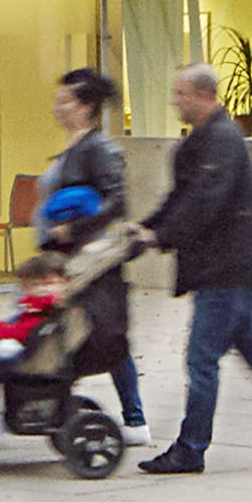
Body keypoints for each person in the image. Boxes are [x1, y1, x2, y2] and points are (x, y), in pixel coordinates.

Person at [133, 64, 252, 475]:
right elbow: (181, 198)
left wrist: (158, 236)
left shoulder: (221, 140)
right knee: (251, 348)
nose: (175, 101)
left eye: (181, 94)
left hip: (226, 270)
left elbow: (203, 202)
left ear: (203, 96)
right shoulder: (207, 139)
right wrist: (147, 228)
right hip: (229, 268)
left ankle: (191, 448)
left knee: (202, 359)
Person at [33, 66, 146, 435]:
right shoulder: (73, 148)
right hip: (64, 257)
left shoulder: (97, 148)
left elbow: (116, 201)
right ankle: (53, 407)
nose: (57, 107)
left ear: (84, 107)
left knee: (105, 336)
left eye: (64, 101)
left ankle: (134, 419)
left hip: (90, 262)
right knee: (71, 333)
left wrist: (73, 228)